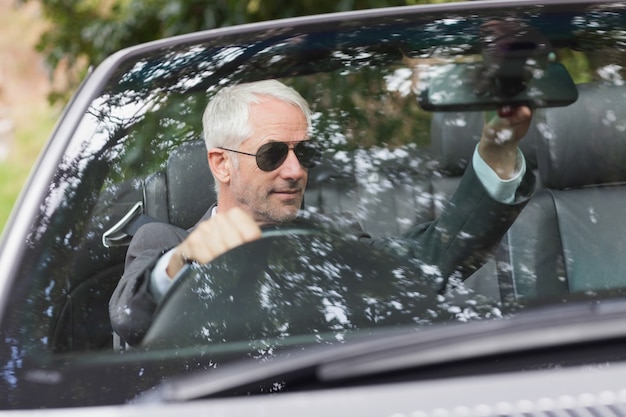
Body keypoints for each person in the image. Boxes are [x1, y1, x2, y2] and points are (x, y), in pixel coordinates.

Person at [109, 79, 535, 346]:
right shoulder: (164, 244)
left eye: (304, 152)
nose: (294, 171)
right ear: (221, 163)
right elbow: (131, 318)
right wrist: (184, 263)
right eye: (273, 154)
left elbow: (433, 260)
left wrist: (497, 153)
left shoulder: (332, 243)